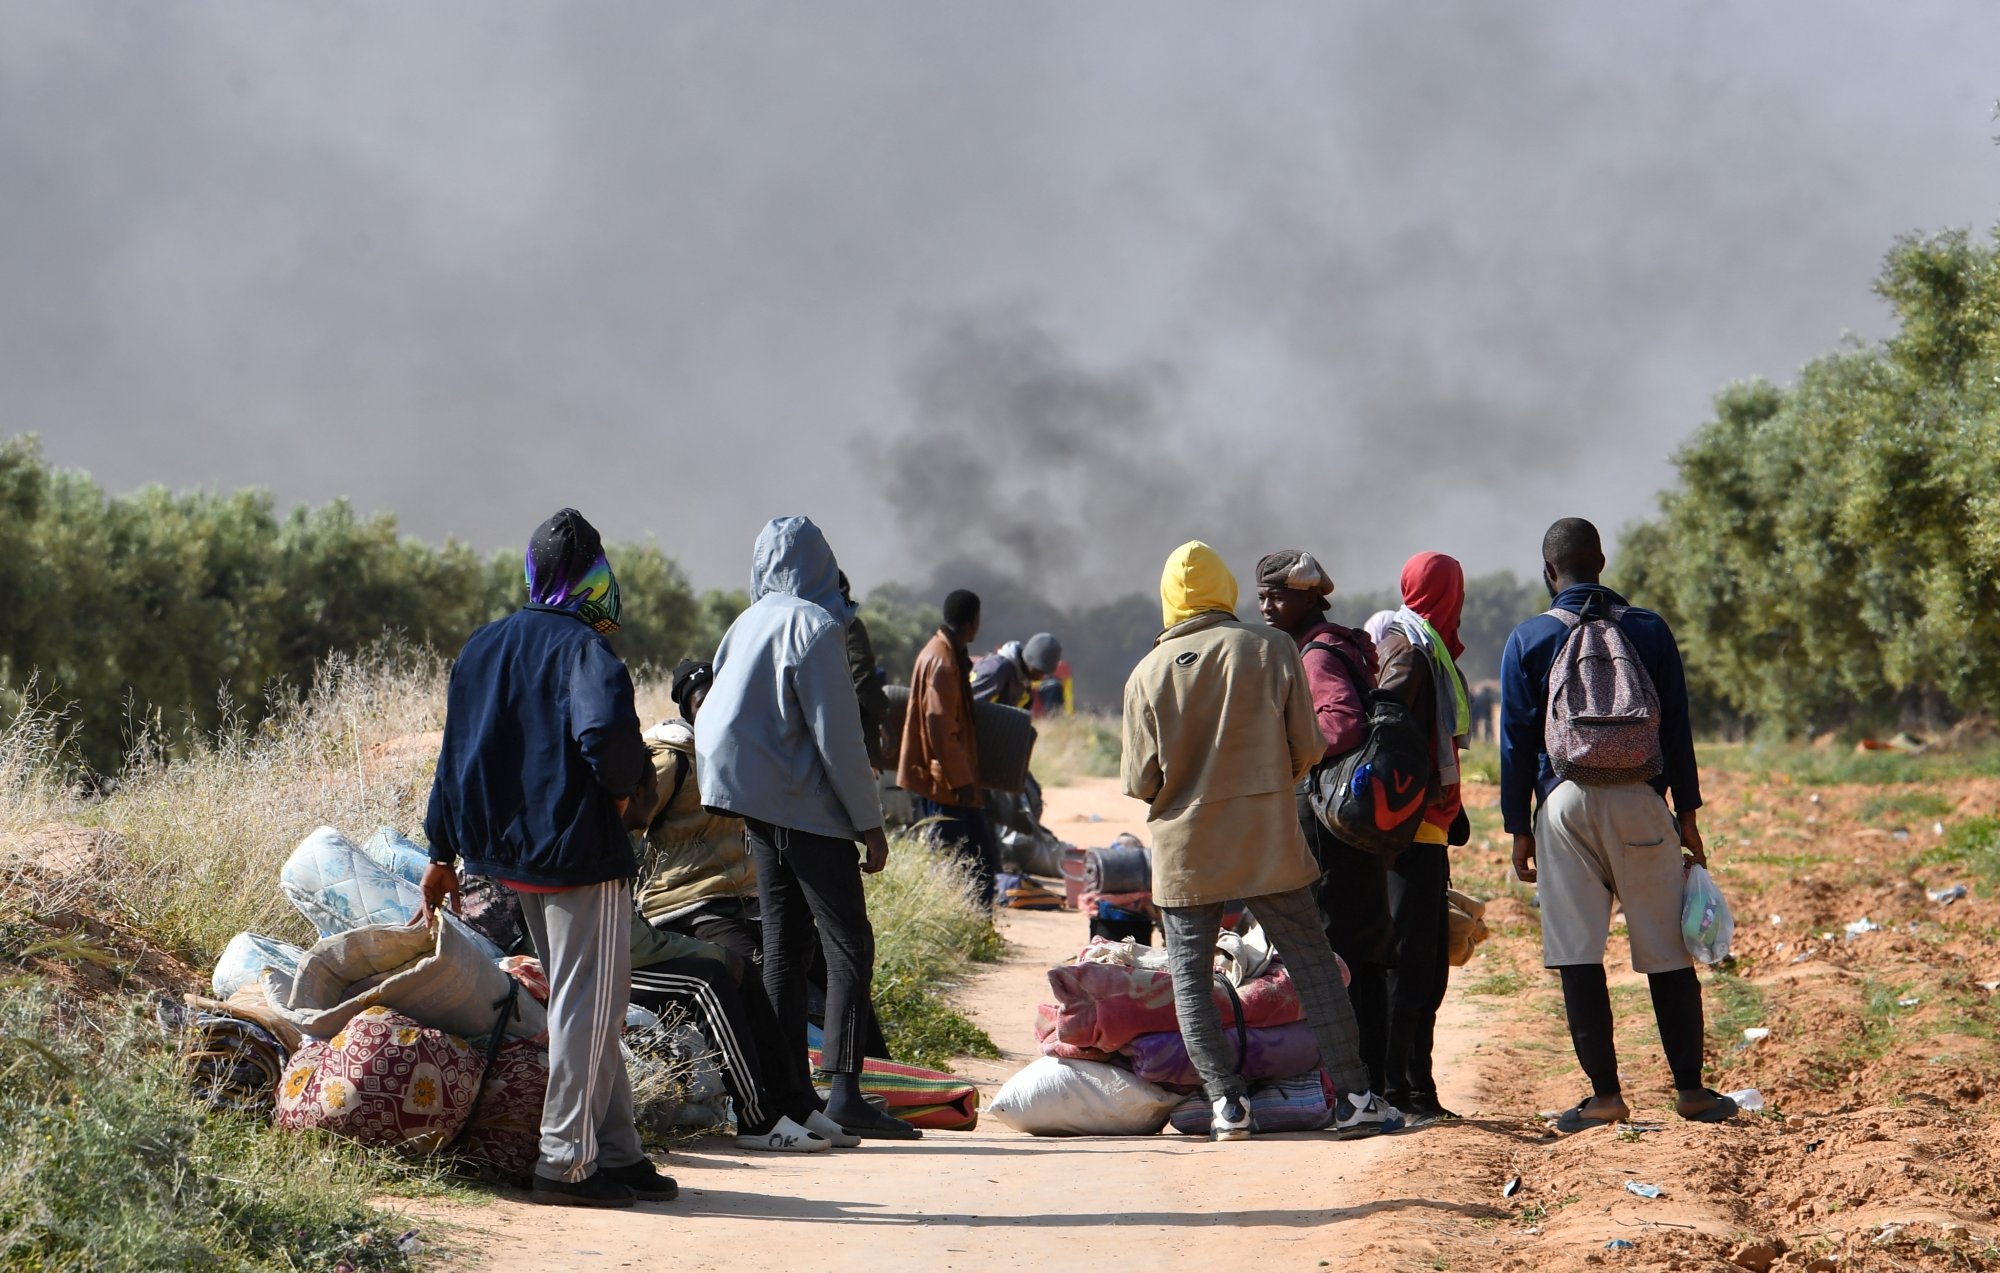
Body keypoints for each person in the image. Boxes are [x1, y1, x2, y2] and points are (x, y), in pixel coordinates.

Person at [420, 508, 678, 1209]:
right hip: (577, 857)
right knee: (590, 1006)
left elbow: (455, 758)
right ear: (591, 575)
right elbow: (607, 739)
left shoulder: (483, 646)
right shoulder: (586, 650)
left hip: (506, 858)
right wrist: (626, 793)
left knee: (587, 1002)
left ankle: (618, 1152)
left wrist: (441, 849)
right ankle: (564, 1164)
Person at [1122, 540, 1398, 1142]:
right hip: (1268, 836)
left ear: (1170, 599)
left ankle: (1227, 1106)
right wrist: (1269, 788)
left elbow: (1141, 780)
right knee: (1313, 965)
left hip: (1186, 849)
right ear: (1225, 590)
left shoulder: (1145, 673)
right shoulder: (1272, 649)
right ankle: (1353, 1099)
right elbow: (1310, 746)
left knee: (1190, 978)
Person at [1499, 517, 1734, 1130]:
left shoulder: (1528, 638)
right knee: (1667, 952)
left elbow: (1517, 743)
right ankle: (1692, 1093)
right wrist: (1685, 813)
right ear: (1602, 562)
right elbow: (1676, 726)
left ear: (1549, 571)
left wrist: (1518, 828)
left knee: (1578, 953)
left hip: (1562, 806)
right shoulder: (1650, 630)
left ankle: (1605, 1097)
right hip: (1641, 802)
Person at [696, 515, 917, 1140]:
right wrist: (870, 825)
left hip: (757, 809)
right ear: (821, 563)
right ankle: (845, 1092)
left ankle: (791, 1096)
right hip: (809, 810)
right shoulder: (817, 626)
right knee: (848, 943)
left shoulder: (745, 623)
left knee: (784, 952)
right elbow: (839, 741)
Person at [637, 658, 893, 1059]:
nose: (715, 709)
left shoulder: (746, 753)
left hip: (746, 898)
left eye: (721, 698)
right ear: (687, 710)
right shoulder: (672, 760)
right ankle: (793, 1073)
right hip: (687, 903)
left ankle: (876, 1072)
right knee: (761, 969)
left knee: (829, 960)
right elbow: (629, 827)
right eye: (703, 702)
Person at [1254, 548, 1394, 1103]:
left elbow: (1341, 723)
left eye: (1279, 594)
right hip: (1349, 823)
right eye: (1262, 594)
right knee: (1360, 950)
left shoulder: (1315, 655)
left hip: (1328, 827)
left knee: (1342, 955)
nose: (1267, 605)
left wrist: (1285, 752)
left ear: (1312, 596)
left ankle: (1358, 1087)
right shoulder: (1331, 644)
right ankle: (1369, 1084)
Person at [1374, 551, 1471, 1126]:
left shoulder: (1417, 646)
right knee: (1411, 966)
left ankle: (1419, 1086)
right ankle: (1399, 1091)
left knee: (1426, 965)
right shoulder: (1412, 651)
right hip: (1410, 831)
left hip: (1423, 827)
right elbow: (1393, 730)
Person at [897, 589, 1001, 909]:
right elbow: (940, 728)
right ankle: (969, 927)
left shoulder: (944, 653)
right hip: (948, 783)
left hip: (948, 779)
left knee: (964, 860)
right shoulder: (942, 662)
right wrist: (963, 781)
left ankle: (970, 925)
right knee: (970, 863)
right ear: (973, 622)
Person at [839, 572, 897, 771]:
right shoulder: (848, 626)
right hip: (853, 740)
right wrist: (884, 718)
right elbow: (862, 678)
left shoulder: (797, 626)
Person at [970, 633, 1063, 710]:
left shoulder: (1023, 681)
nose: (1042, 677)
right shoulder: (997, 670)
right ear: (1030, 662)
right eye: (1040, 671)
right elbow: (968, 705)